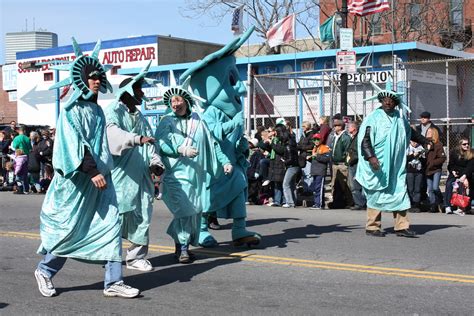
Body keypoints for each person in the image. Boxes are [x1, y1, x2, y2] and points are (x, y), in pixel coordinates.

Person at [34, 39, 139, 298]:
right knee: (71, 230)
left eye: (98, 77)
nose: (96, 81)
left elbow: (102, 145)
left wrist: (104, 170)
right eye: (91, 77)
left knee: (110, 225)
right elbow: (72, 146)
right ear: (81, 80)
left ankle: (113, 281)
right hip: (76, 183)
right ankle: (45, 270)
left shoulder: (98, 111)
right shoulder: (71, 111)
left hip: (101, 179)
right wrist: (92, 171)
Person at [180, 26, 261, 248]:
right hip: (212, 167)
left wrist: (242, 145)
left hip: (231, 164)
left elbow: (235, 137)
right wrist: (233, 124)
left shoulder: (228, 111)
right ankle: (202, 230)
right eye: (232, 79)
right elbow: (212, 133)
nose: (241, 88)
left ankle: (239, 229)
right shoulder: (210, 112)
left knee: (238, 189)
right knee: (209, 197)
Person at [155, 84, 231, 262]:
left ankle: (180, 244)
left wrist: (225, 161)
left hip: (195, 175)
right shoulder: (166, 121)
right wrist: (180, 149)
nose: (175, 104)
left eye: (178, 100)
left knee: (194, 211)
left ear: (186, 101)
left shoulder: (199, 121)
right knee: (186, 210)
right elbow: (160, 144)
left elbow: (212, 144)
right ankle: (183, 248)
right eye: (172, 101)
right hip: (174, 176)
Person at [105, 63, 163, 271]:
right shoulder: (113, 112)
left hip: (142, 179)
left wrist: (156, 163)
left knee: (143, 217)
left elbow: (151, 145)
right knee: (117, 218)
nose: (142, 93)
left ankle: (136, 257)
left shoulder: (140, 117)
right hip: (121, 178)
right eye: (138, 89)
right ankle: (110, 257)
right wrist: (136, 139)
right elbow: (112, 136)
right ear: (128, 91)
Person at [356, 82, 430, 238]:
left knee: (400, 192)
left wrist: (424, 141)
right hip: (379, 165)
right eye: (385, 100)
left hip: (395, 166)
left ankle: (401, 226)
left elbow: (411, 133)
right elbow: (365, 139)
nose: (388, 103)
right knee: (377, 193)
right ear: (381, 101)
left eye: (391, 100)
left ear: (396, 103)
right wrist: (371, 157)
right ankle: (372, 226)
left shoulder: (399, 119)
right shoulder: (373, 118)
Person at [444, 137, 473, 215]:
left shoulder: (471, 153)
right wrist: (453, 171)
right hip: (455, 174)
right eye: (464, 144)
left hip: (465, 175)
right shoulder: (454, 152)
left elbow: (470, 167)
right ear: (460, 145)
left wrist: (464, 176)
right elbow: (450, 165)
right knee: (449, 184)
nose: (466, 145)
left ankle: (461, 207)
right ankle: (448, 206)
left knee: (461, 186)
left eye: (468, 144)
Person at [328, 118, 353, 209]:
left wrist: (346, 162)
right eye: (334, 126)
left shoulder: (345, 137)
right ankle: (336, 201)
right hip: (335, 163)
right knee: (335, 184)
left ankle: (350, 202)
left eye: (336, 126)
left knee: (345, 184)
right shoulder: (335, 136)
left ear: (340, 127)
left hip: (342, 164)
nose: (334, 127)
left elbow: (348, 151)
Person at [424, 127, 446, 213]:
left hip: (436, 169)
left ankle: (440, 200)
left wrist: (432, 163)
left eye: (430, 131)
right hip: (427, 170)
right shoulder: (425, 144)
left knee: (435, 187)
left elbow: (442, 158)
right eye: (427, 132)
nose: (427, 133)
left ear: (434, 133)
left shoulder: (438, 144)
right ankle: (433, 205)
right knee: (430, 189)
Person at [346, 121, 366, 210]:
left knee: (355, 186)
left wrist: (350, 160)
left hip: (355, 164)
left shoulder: (358, 137)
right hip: (353, 163)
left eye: (348, 127)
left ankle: (360, 203)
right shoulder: (354, 137)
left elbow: (357, 152)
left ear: (353, 128)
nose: (347, 129)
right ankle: (360, 202)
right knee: (355, 185)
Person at [308, 133, 331, 210]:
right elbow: (315, 158)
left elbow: (326, 159)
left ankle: (319, 204)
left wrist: (316, 156)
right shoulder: (314, 148)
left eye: (318, 139)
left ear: (321, 140)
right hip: (315, 171)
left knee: (319, 188)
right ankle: (317, 203)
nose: (316, 141)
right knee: (316, 188)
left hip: (320, 171)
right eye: (315, 139)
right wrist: (310, 157)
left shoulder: (324, 148)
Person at [406, 141, 425, 213]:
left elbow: (424, 160)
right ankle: (410, 204)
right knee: (410, 189)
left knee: (417, 189)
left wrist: (420, 155)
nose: (415, 143)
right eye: (413, 141)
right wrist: (413, 155)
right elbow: (405, 159)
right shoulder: (407, 148)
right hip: (410, 170)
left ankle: (416, 205)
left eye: (416, 142)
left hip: (418, 170)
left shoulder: (420, 148)